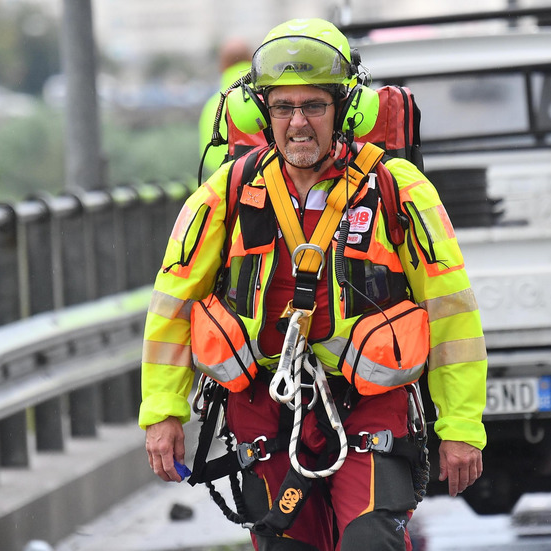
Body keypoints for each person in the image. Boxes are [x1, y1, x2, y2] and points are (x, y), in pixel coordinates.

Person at [140, 18, 488, 551]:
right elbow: (172, 305)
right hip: (264, 413)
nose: (298, 123)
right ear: (264, 113)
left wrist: (460, 426)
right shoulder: (228, 193)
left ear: (344, 109)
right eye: (283, 107)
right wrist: (163, 413)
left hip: (371, 407)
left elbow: (452, 313)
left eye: (314, 107)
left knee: (372, 540)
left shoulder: (397, 188)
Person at [198, 37, 253, 177]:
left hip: (223, 188)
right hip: (264, 188)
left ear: (221, 66)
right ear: (252, 60)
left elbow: (208, 159)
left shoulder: (211, 106)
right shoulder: (266, 94)